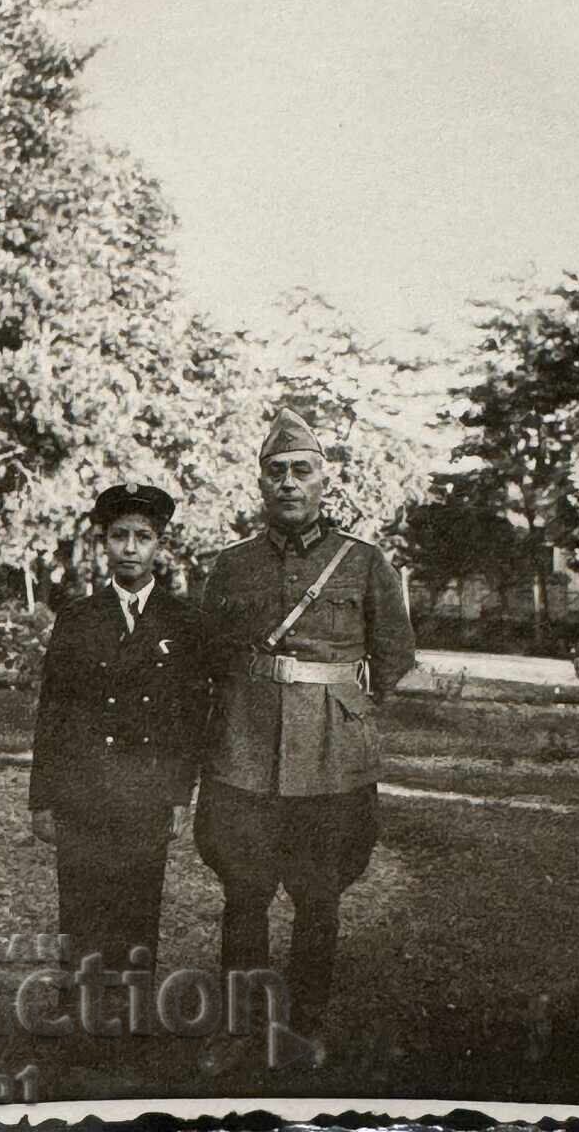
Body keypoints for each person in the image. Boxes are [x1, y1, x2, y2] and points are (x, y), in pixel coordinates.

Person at [195, 408, 416, 1066]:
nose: (288, 483)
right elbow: (207, 652)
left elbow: (394, 654)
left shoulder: (363, 561)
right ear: (260, 485)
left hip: (329, 758)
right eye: (275, 473)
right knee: (243, 893)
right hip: (244, 751)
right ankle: (238, 1026)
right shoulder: (231, 566)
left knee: (318, 895)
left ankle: (306, 1022)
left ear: (325, 480)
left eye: (301, 471)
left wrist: (341, 706)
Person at [30, 482, 208, 998]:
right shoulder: (79, 617)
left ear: (160, 546)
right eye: (119, 536)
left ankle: (129, 1016)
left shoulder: (184, 621)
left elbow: (189, 716)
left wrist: (180, 794)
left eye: (143, 537)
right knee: (81, 908)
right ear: (103, 542)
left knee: (137, 908)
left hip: (145, 794)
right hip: (82, 792)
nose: (130, 548)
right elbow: (54, 713)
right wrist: (42, 798)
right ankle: (81, 1014)